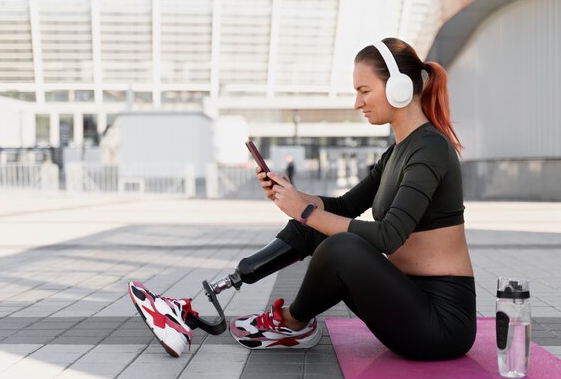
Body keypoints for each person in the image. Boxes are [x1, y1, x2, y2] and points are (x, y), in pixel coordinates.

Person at [128, 37, 476, 361]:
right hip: (404, 300)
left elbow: (389, 236)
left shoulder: (430, 147)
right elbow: (343, 207)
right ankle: (194, 306)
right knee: (314, 225)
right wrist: (291, 196)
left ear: (399, 88)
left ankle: (290, 324)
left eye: (364, 90)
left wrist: (307, 211)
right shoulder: (395, 154)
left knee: (340, 246)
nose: (357, 103)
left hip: (441, 325)